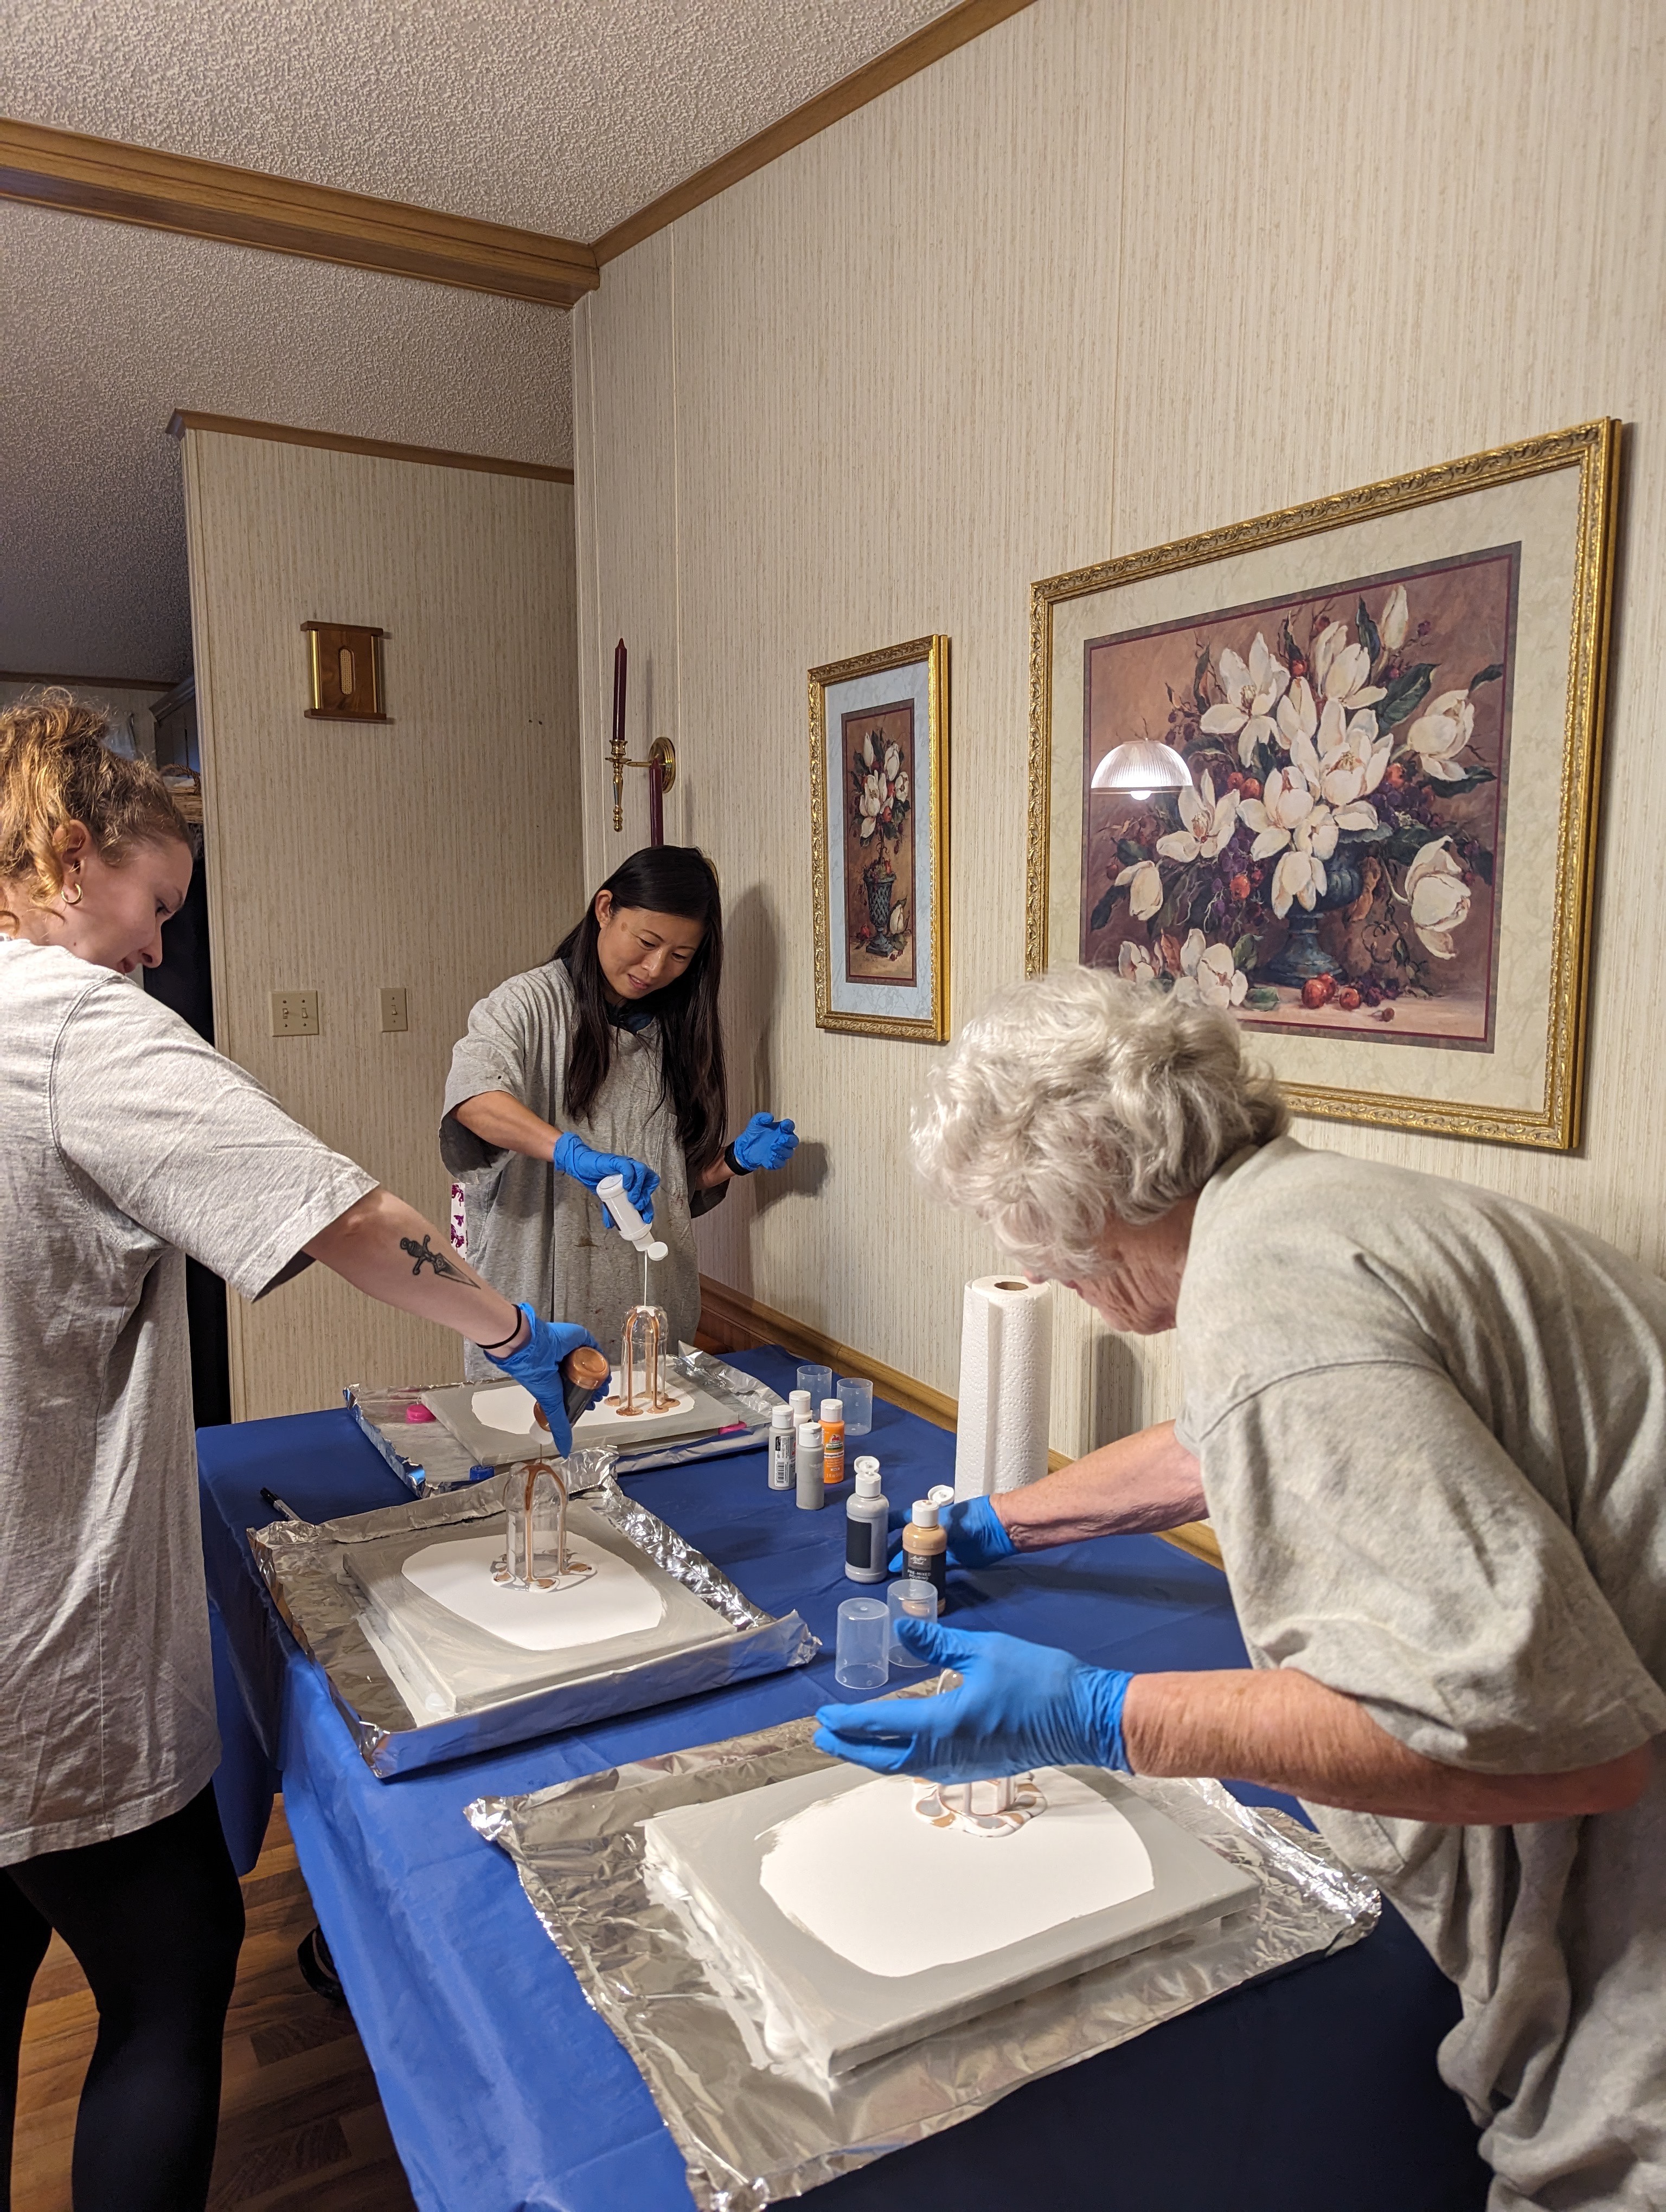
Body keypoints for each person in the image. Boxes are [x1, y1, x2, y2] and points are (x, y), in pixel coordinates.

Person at [817, 965, 1664, 2212]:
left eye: (1030, 1238)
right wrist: (1004, 1516)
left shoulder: (1269, 1292)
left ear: (1088, 1197)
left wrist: (1098, 1713)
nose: (1043, 1278)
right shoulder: (1300, 1211)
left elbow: (1566, 1752)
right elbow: (1223, 1435)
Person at [0, 692, 599, 2212]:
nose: (154, 948)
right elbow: (341, 1214)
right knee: (175, 1962)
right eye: (154, 907)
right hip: (32, 1639)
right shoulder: (79, 1029)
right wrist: (524, 1333)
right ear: (72, 859)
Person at [442, 845, 799, 1374]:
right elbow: (475, 1099)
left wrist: (732, 1162)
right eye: (648, 943)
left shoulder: (673, 1032)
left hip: (650, 1320)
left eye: (680, 957)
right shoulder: (527, 1005)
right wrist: (568, 1152)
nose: (656, 969)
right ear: (605, 908)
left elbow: (666, 1191)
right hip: (534, 1321)